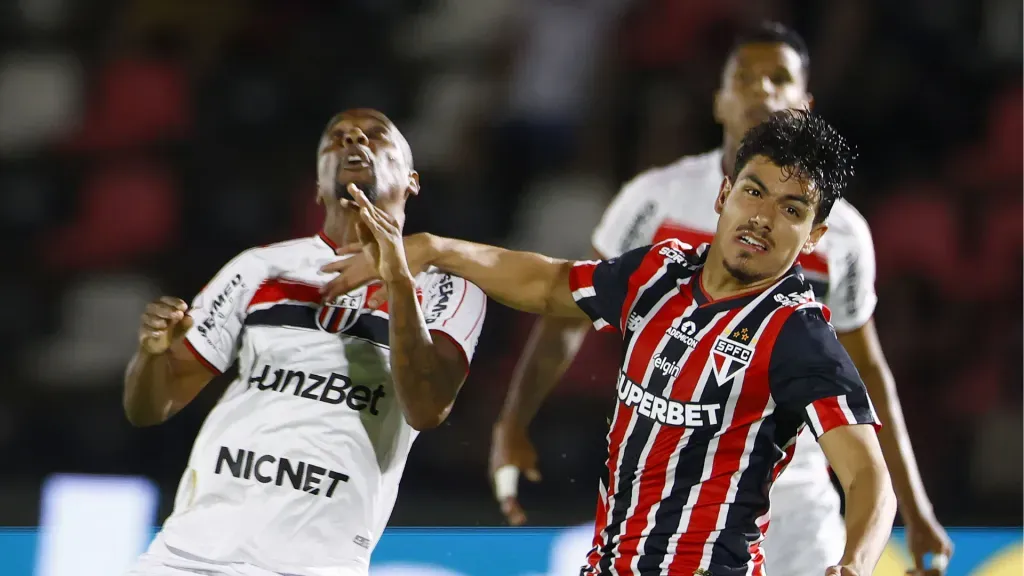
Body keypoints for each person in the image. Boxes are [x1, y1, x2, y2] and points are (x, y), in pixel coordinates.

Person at [322, 110, 897, 576]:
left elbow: (868, 475)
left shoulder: (798, 334)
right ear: (724, 194)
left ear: (814, 235)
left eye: (791, 209)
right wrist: (432, 248)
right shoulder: (658, 273)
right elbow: (546, 281)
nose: (764, 217)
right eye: (754, 191)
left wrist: (855, 564)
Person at [489, 21, 952, 575]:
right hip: (678, 494)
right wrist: (514, 420)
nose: (761, 90)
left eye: (777, 78)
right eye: (745, 78)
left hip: (799, 500)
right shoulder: (653, 200)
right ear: (719, 100)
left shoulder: (845, 233)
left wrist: (915, 507)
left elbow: (867, 374)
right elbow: (567, 311)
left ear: (804, 101)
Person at [122, 109, 487, 576]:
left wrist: (395, 277)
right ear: (318, 184)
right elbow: (149, 408)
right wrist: (150, 357)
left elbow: (427, 407)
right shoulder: (260, 268)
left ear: (412, 180)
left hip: (314, 562)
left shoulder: (448, 288)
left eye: (376, 135)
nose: (354, 138)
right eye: (335, 139)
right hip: (188, 553)